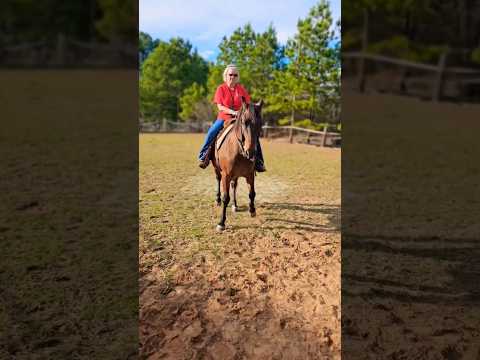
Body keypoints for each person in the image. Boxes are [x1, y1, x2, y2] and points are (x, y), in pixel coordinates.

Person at [198, 64, 266, 172]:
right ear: (226, 75)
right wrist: (233, 112)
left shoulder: (241, 89)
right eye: (230, 74)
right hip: (223, 118)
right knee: (212, 131)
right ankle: (203, 156)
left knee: (253, 135)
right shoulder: (221, 89)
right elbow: (220, 106)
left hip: (240, 120)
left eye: (235, 75)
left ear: (237, 77)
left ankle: (259, 161)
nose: (232, 77)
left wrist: (253, 110)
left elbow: (247, 105)